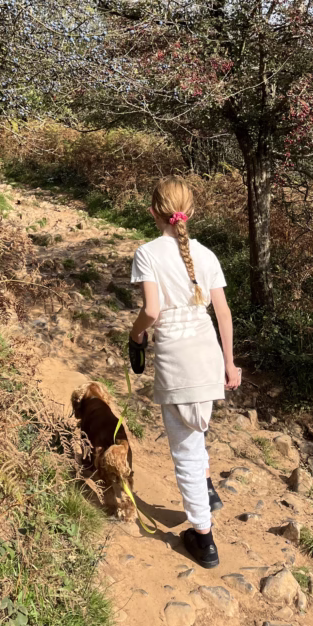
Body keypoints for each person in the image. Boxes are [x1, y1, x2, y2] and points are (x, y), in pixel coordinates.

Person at [129, 177, 240, 568]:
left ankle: (203, 537)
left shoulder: (147, 253)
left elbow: (152, 312)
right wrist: (229, 362)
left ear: (153, 213)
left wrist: (135, 333)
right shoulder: (207, 254)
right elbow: (222, 311)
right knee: (198, 427)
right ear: (189, 212)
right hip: (208, 354)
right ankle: (207, 493)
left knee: (185, 453)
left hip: (176, 359)